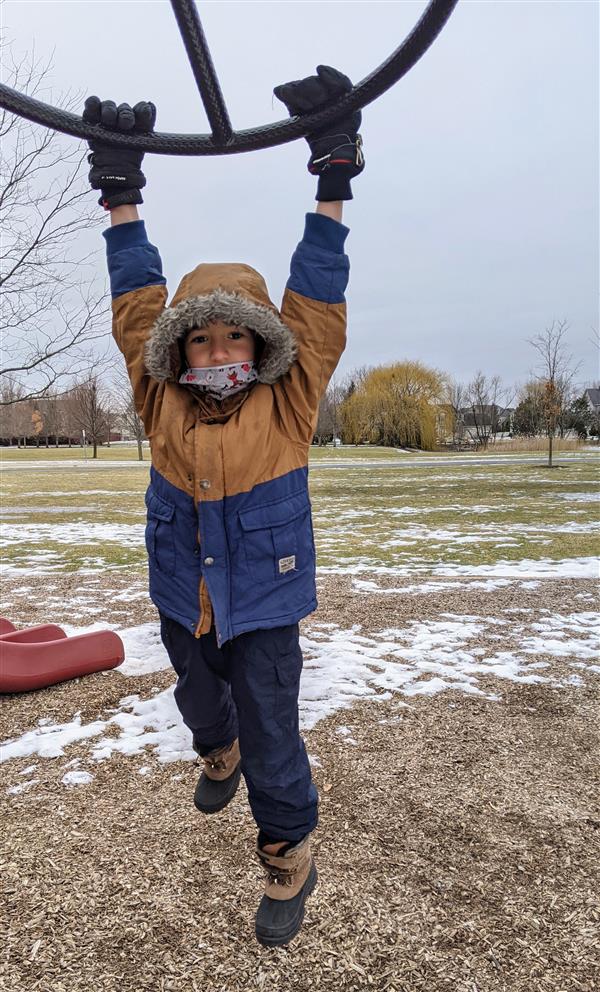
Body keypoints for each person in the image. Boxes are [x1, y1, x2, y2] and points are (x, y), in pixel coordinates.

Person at [84, 66, 364, 947]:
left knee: (273, 731)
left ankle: (289, 853)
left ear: (261, 343)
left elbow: (317, 298)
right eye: (198, 337)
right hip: (182, 592)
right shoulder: (159, 395)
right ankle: (217, 746)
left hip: (265, 604)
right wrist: (122, 196)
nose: (214, 351)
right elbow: (136, 309)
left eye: (231, 334)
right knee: (198, 695)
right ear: (179, 349)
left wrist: (333, 174)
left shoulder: (289, 402)